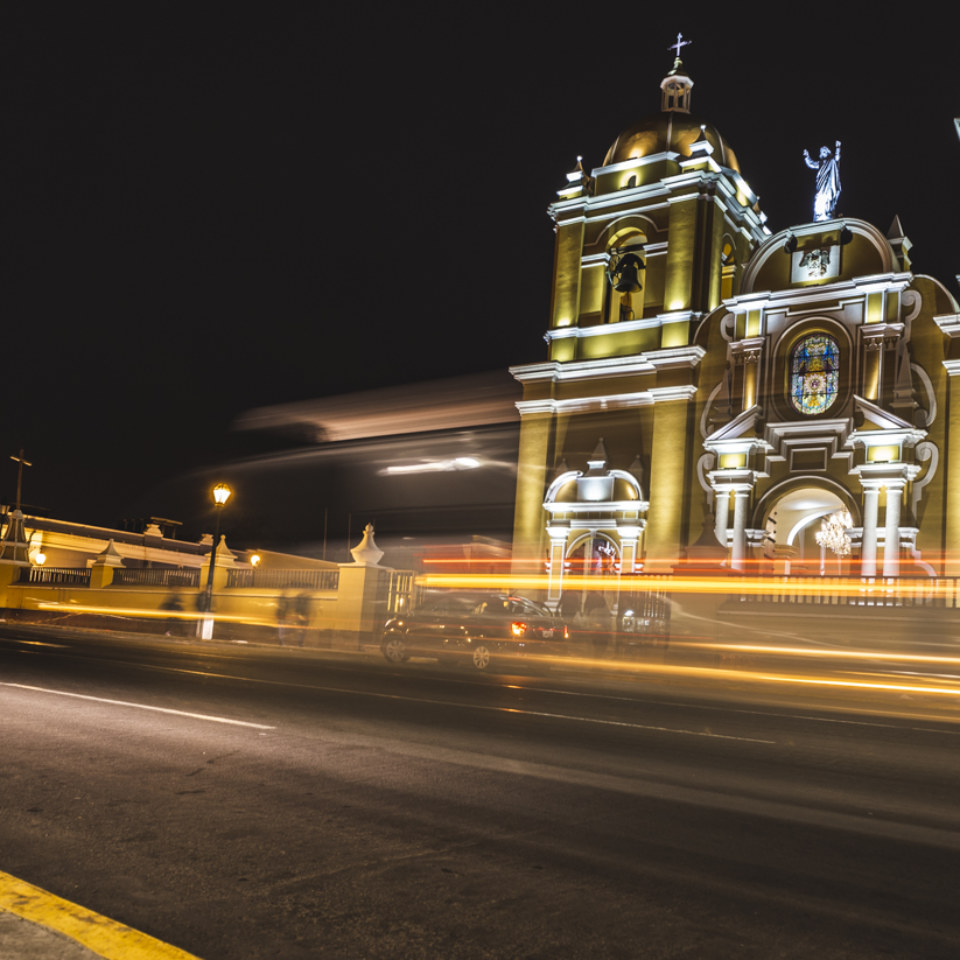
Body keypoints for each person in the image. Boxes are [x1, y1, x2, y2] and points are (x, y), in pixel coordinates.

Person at [803, 141, 841, 222]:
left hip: (829, 184)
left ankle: (828, 213)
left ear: (827, 152)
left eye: (824, 151)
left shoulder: (832, 161)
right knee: (819, 197)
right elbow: (811, 164)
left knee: (828, 197)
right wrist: (807, 156)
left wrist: (838, 148)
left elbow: (837, 158)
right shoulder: (820, 163)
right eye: (821, 152)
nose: (822, 153)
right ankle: (819, 215)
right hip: (821, 184)